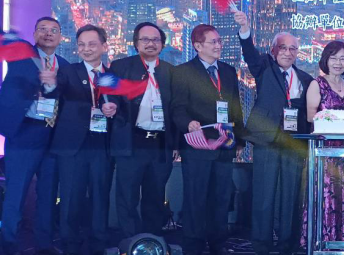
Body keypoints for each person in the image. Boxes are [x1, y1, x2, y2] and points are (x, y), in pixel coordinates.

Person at [234, 11, 313, 255]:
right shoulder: (263, 67)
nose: (288, 52)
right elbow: (249, 53)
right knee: (264, 196)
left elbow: (308, 114)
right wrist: (245, 28)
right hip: (266, 140)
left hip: (293, 143)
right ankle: (261, 245)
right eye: (283, 48)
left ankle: (287, 245)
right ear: (274, 50)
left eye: (293, 49)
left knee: (290, 197)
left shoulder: (305, 79)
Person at [171, 24, 245, 255]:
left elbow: (235, 108)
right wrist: (188, 124)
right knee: (196, 197)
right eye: (213, 41)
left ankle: (218, 244)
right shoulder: (183, 71)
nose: (218, 45)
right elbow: (177, 108)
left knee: (221, 197)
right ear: (197, 46)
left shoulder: (228, 71)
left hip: (225, 144)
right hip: (197, 145)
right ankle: (192, 246)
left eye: (219, 41)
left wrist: (240, 140)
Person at [0, 17, 67, 255]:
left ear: (61, 37)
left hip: (53, 136)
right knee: (16, 194)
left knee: (48, 195)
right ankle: (8, 246)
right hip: (25, 133)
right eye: (43, 30)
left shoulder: (66, 65)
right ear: (35, 33)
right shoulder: (22, 56)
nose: (48, 34)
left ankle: (44, 245)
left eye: (54, 31)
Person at [50, 25, 117, 255]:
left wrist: (115, 109)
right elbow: (57, 100)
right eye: (81, 45)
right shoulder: (68, 72)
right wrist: (88, 110)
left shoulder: (111, 77)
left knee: (100, 197)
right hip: (73, 146)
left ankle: (98, 245)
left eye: (91, 44)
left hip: (102, 146)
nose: (86, 49)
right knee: (70, 198)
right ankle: (70, 246)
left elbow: (125, 109)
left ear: (104, 47)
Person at [109, 22, 178, 239]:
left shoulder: (170, 71)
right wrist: (110, 106)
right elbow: (111, 95)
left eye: (155, 40)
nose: (150, 44)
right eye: (145, 39)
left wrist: (175, 144)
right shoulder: (121, 67)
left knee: (155, 197)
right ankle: (130, 242)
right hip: (131, 141)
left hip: (160, 145)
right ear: (136, 43)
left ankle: (151, 242)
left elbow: (176, 110)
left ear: (162, 44)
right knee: (127, 197)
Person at [301, 40, 344, 245]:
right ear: (326, 59)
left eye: (343, 58)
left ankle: (342, 243)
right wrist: (331, 120)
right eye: (334, 58)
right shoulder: (317, 84)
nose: (338, 63)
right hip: (323, 151)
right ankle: (321, 242)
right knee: (324, 198)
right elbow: (310, 117)